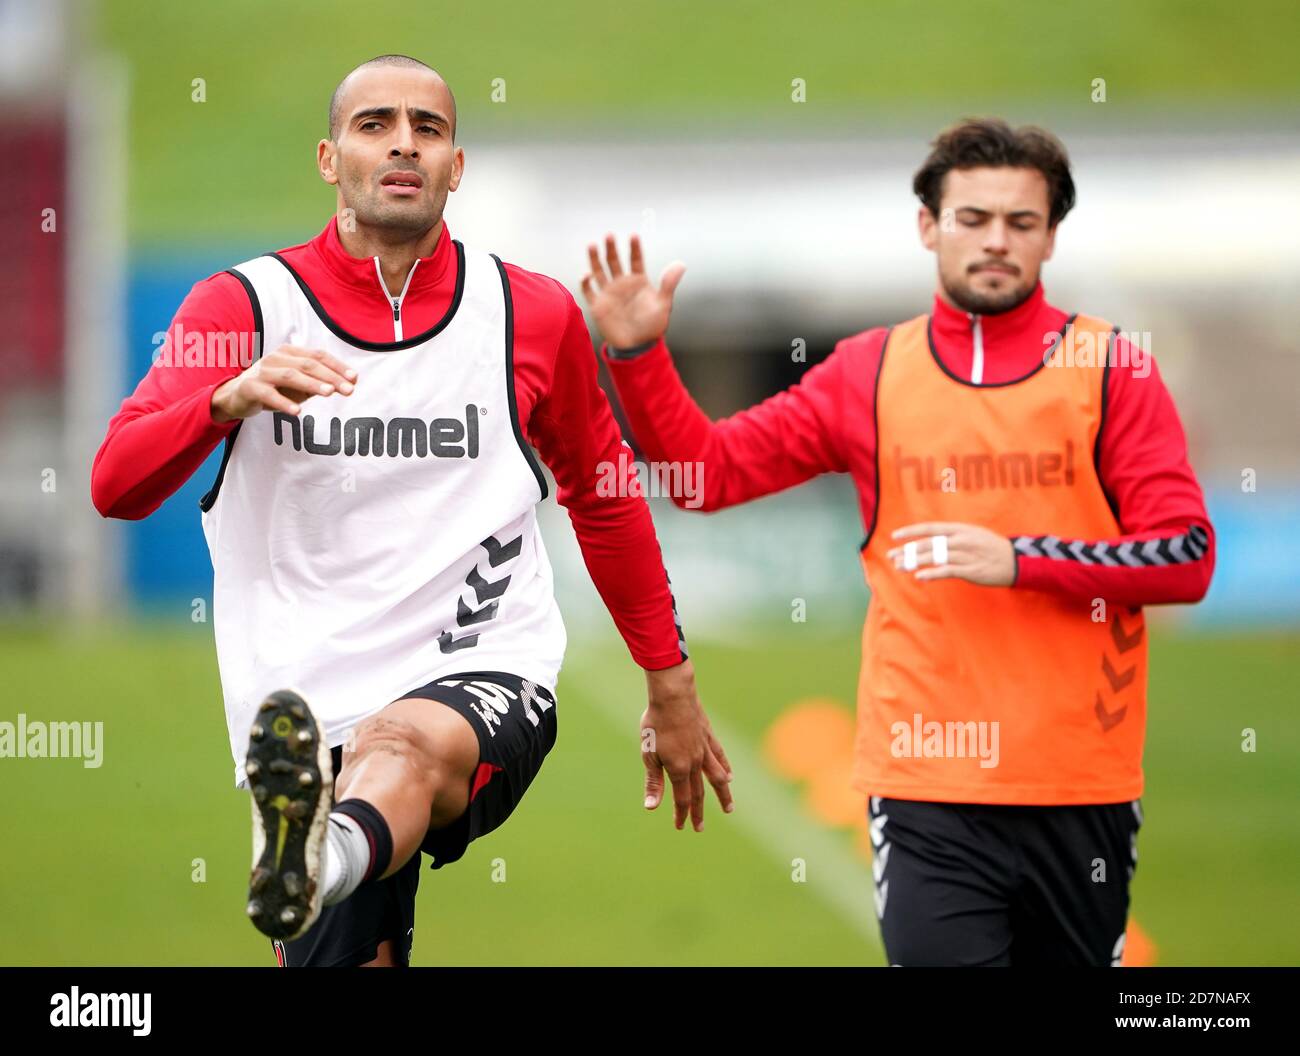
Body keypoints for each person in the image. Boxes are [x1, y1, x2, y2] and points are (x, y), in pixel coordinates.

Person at [91, 54, 732, 968]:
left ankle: (319, 858)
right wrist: (221, 403)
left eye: (427, 129)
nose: (403, 143)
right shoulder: (242, 306)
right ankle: (314, 844)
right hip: (303, 720)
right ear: (329, 157)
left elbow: (606, 499)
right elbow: (115, 485)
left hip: (483, 664)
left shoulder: (529, 312)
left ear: (455, 167)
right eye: (375, 124)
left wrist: (669, 681)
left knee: (402, 742)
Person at [581, 118, 1214, 966]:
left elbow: (1185, 557)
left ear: (1051, 236)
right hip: (924, 786)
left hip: (1079, 788)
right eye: (972, 218)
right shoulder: (868, 372)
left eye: (1021, 223)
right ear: (929, 227)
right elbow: (707, 474)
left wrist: (1021, 561)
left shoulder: (1113, 369)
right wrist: (637, 352)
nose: (996, 241)